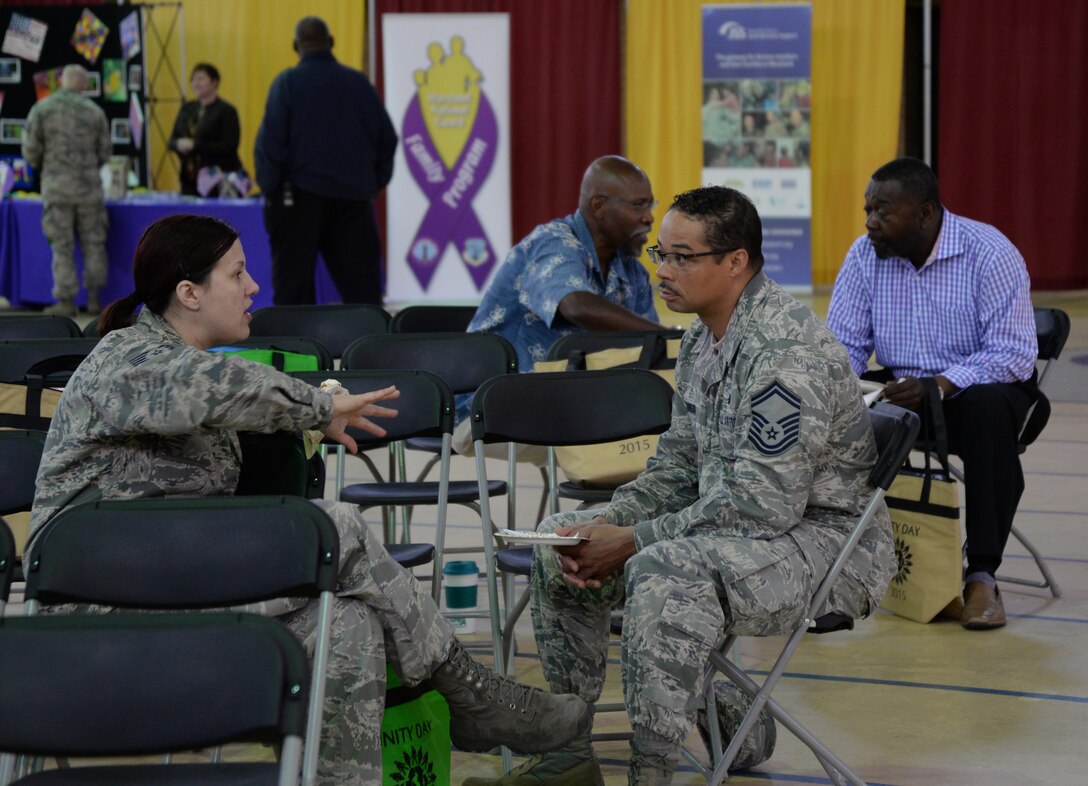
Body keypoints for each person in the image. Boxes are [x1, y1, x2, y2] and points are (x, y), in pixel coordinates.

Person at [27, 214, 592, 786]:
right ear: (189, 292)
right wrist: (319, 408)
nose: (253, 288)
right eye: (238, 273)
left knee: (348, 625)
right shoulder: (126, 360)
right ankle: (469, 690)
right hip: (101, 609)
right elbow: (216, 387)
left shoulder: (182, 374)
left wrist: (302, 434)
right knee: (333, 526)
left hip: (176, 591)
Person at [465, 186, 895, 786]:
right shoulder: (700, 339)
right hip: (741, 532)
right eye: (659, 255)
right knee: (559, 540)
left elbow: (763, 506)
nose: (663, 272)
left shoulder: (785, 353)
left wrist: (634, 539)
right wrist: (602, 525)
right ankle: (569, 754)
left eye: (682, 257)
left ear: (735, 262)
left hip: (821, 545)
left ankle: (652, 773)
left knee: (665, 568)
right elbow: (675, 469)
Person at [826, 156, 1039, 630]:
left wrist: (941, 385)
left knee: (987, 409)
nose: (870, 223)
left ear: (926, 214)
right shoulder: (865, 255)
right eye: (868, 210)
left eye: (883, 212)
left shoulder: (989, 252)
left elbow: (1014, 353)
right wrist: (842, 396)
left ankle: (982, 575)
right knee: (823, 410)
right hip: (903, 393)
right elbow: (844, 349)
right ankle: (831, 576)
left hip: (977, 391)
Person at [455, 155, 661, 448]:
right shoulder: (553, 242)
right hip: (490, 409)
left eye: (650, 205)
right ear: (599, 206)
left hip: (569, 406)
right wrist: (664, 334)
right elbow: (576, 305)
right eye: (638, 205)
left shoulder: (631, 270)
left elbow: (652, 348)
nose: (649, 217)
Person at [254, 16, 396, 306]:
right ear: (331, 43)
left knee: (294, 295)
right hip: (353, 201)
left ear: (296, 45)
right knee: (363, 294)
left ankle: (297, 350)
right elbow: (388, 139)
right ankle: (372, 349)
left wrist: (273, 193)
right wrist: (372, 184)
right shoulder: (359, 84)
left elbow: (270, 146)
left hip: (298, 199)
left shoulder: (288, 83)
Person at [21, 64, 110, 317]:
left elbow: (30, 150)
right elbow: (105, 152)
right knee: (94, 243)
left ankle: (66, 300)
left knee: (61, 246)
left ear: (61, 81)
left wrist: (48, 166)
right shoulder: (95, 112)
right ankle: (94, 299)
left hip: (57, 188)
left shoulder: (42, 108)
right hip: (89, 190)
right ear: (83, 84)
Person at [167, 63, 244, 198]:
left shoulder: (227, 111)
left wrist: (195, 146)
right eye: (193, 79)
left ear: (214, 82)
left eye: (201, 79)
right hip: (189, 180)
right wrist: (178, 144)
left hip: (218, 180)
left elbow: (229, 147)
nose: (196, 83)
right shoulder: (187, 109)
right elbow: (171, 141)